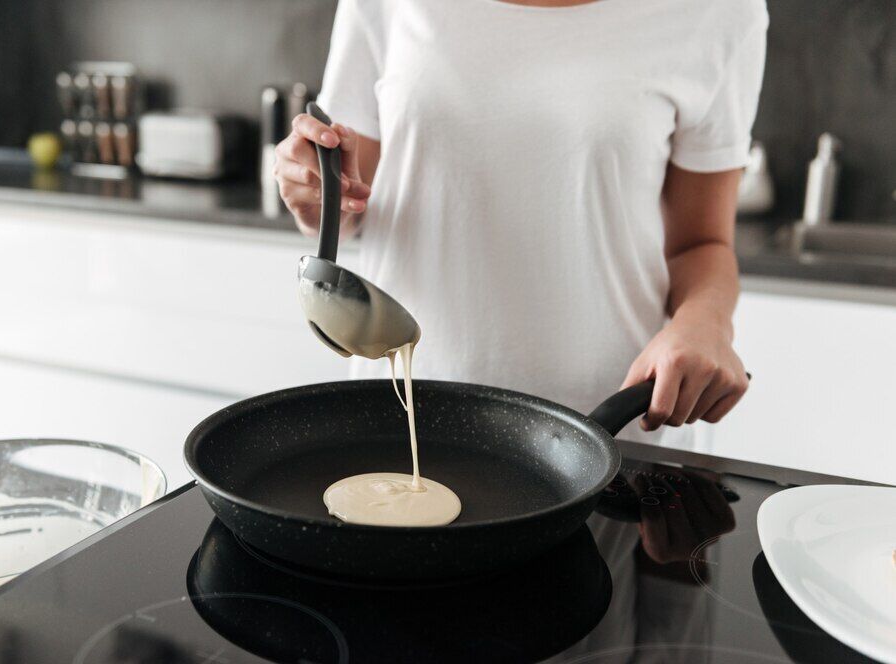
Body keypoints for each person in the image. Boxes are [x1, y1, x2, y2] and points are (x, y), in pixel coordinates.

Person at [274, 0, 766, 449]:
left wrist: (705, 323)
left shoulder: (718, 12)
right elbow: (347, 201)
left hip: (603, 428)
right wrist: (311, 192)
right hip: (401, 415)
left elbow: (701, 243)